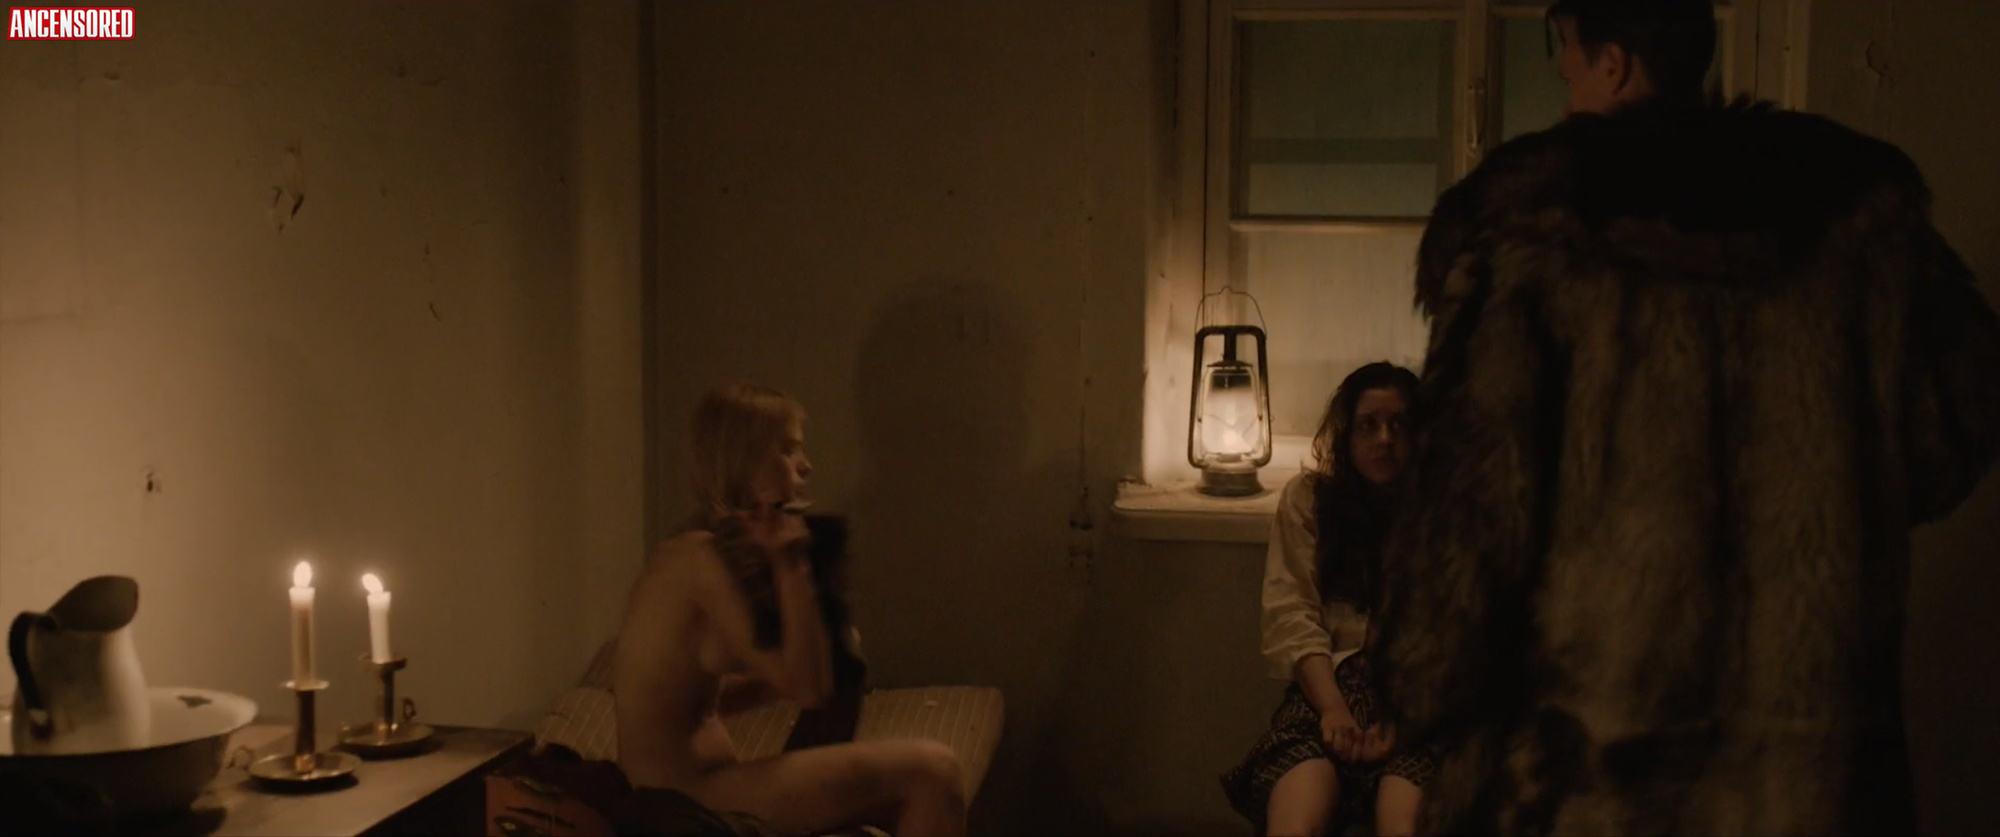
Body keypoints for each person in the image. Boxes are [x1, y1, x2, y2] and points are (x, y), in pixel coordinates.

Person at [1368, 0, 2000, 834]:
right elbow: (1956, 428)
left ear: (1614, 65)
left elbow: (1468, 527)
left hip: (1591, 781)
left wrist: (1419, 684)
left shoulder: (1532, 232)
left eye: (1569, 74)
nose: (1567, 101)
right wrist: (1833, 498)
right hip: (1811, 780)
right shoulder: (1857, 217)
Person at [611, 383, 969, 837]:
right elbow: (809, 689)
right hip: (682, 803)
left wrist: (802, 669)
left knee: (896, 799)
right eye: (787, 449)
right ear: (742, 460)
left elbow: (697, 700)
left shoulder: (700, 549)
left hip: (700, 786)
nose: (806, 465)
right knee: (935, 771)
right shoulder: (699, 561)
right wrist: (791, 564)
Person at [1221, 362, 1435, 837]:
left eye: (1399, 425)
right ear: (1347, 434)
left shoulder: (1443, 513)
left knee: (1402, 822)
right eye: (1368, 425)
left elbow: (1452, 634)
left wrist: (1404, 718)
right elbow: (1291, 612)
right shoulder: (1310, 500)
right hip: (1327, 690)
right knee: (1297, 819)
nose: (1384, 440)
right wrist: (1333, 708)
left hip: (1416, 706)